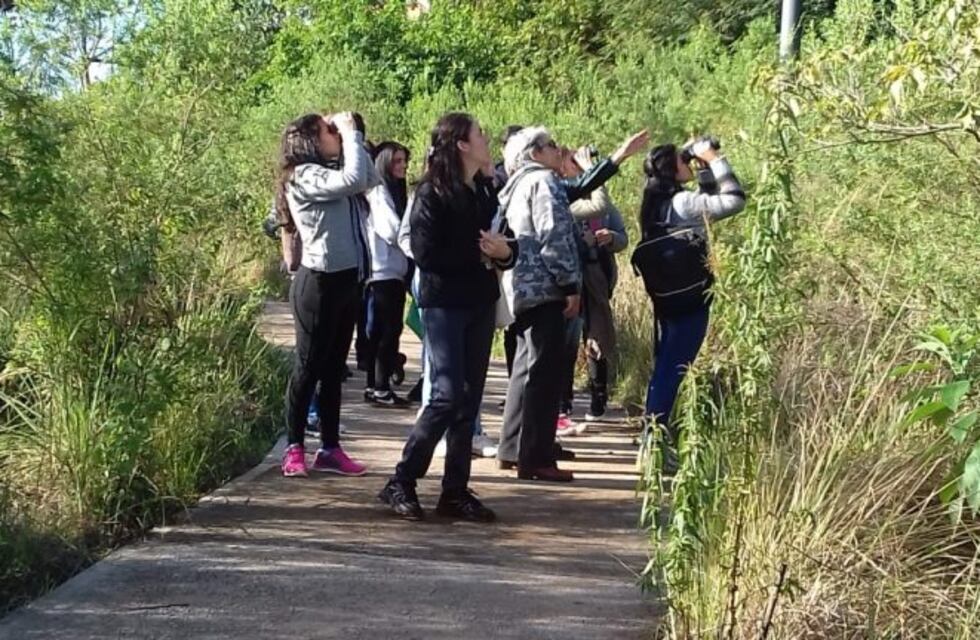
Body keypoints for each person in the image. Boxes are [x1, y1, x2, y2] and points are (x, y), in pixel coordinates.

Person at [379, 113, 516, 521]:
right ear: (460, 144)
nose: (486, 139)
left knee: (469, 400)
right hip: (443, 305)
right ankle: (401, 480)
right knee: (446, 395)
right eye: (479, 134)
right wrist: (477, 253)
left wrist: (505, 253)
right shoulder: (431, 193)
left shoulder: (485, 191)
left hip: (479, 302)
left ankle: (454, 491)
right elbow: (424, 253)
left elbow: (507, 245)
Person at [632, 139, 746, 471]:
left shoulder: (655, 205)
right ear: (673, 170)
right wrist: (714, 158)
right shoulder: (682, 202)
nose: (688, 163)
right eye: (682, 161)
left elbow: (707, 205)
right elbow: (734, 201)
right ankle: (653, 445)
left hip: (668, 299)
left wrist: (701, 169)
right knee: (674, 368)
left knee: (666, 365)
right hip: (691, 299)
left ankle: (652, 438)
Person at [275, 111, 378, 478]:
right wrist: (349, 134)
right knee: (308, 366)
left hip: (347, 281)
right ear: (311, 141)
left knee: (334, 369)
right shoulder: (303, 175)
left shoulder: (331, 172)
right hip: (317, 283)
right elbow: (353, 180)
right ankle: (294, 446)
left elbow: (370, 177)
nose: (335, 134)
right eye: (328, 130)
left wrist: (356, 136)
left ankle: (330, 448)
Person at [496, 127, 582, 483]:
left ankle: (512, 448)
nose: (557, 151)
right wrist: (570, 283)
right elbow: (554, 235)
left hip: (521, 285)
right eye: (550, 146)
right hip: (544, 286)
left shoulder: (514, 186)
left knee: (524, 368)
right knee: (544, 374)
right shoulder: (543, 181)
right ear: (534, 153)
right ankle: (536, 458)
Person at [554, 146, 629, 435]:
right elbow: (595, 206)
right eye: (574, 163)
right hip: (573, 279)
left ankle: (599, 396)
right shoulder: (565, 198)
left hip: (598, 278)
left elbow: (622, 237)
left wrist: (610, 238)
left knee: (599, 335)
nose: (579, 167)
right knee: (569, 340)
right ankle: (564, 402)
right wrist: (593, 172)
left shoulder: (605, 206)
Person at [363, 141, 412, 407]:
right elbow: (392, 231)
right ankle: (379, 387)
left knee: (385, 330)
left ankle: (375, 385)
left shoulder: (392, 192)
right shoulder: (380, 194)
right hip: (383, 272)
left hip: (392, 271)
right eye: (397, 161)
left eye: (404, 161)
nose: (403, 166)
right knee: (387, 331)